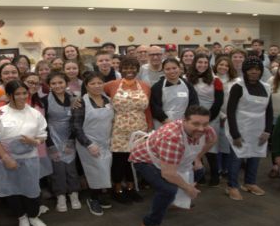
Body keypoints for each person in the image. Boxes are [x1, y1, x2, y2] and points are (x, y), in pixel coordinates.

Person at [129, 106, 216, 226]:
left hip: (170, 159)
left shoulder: (206, 129)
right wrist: (188, 188)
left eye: (205, 124)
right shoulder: (173, 137)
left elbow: (211, 141)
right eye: (195, 124)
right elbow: (168, 173)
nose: (201, 128)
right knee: (168, 189)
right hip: (146, 160)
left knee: (200, 170)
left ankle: (173, 202)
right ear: (184, 121)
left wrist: (198, 158)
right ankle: (149, 223)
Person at [0, 80, 48, 226]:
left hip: (29, 158)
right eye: (17, 94)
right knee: (12, 190)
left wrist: (36, 141)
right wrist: (6, 158)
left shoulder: (34, 113)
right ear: (8, 95)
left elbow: (43, 134)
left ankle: (33, 216)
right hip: (5, 158)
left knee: (31, 189)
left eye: (24, 93)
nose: (21, 97)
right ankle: (21, 217)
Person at [104, 56, 153, 204]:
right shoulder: (112, 85)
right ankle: (117, 189)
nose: (129, 71)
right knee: (119, 160)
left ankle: (131, 188)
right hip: (119, 127)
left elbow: (148, 109)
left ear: (137, 70)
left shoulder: (145, 86)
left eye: (132, 68)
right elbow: (94, 89)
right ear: (120, 69)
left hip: (139, 127)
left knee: (134, 159)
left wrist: (150, 127)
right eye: (126, 68)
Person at [225, 57, 273, 200]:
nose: (254, 72)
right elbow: (230, 111)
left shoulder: (266, 87)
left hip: (259, 128)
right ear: (245, 70)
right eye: (251, 69)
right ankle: (232, 186)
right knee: (236, 158)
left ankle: (250, 182)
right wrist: (235, 134)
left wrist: (268, 130)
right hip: (241, 127)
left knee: (255, 155)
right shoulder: (238, 87)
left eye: (257, 69)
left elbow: (269, 110)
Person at [71, 72, 114, 216]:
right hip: (88, 143)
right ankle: (93, 198)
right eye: (92, 84)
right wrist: (89, 144)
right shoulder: (81, 102)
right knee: (94, 172)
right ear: (86, 86)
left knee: (104, 170)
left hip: (105, 142)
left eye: (99, 83)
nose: (97, 86)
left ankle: (101, 196)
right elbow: (76, 127)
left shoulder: (108, 100)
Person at [42, 72, 81, 212]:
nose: (57, 86)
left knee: (71, 167)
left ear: (66, 83)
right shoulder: (45, 100)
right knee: (57, 168)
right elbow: (42, 123)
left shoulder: (74, 99)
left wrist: (71, 139)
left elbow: (77, 121)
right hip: (52, 136)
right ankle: (60, 196)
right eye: (53, 83)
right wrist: (50, 144)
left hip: (70, 135)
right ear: (49, 85)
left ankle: (74, 193)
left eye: (60, 82)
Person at [187, 53, 224, 186]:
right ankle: (199, 174)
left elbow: (219, 101)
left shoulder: (216, 80)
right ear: (194, 63)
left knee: (211, 147)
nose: (202, 65)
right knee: (195, 146)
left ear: (208, 65)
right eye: (199, 62)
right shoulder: (187, 78)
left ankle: (215, 175)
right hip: (194, 117)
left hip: (211, 117)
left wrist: (208, 119)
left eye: (205, 63)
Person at [150, 58, 199, 129]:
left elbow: (194, 103)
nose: (171, 71)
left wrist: (187, 118)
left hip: (184, 122)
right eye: (168, 69)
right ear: (163, 71)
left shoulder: (188, 85)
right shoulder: (157, 87)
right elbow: (154, 107)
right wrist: (166, 121)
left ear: (179, 68)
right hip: (163, 123)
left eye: (174, 68)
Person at [213, 56, 240, 177]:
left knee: (229, 142)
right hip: (216, 115)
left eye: (226, 65)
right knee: (216, 142)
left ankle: (227, 168)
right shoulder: (211, 79)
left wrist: (229, 116)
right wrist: (221, 115)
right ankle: (217, 168)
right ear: (216, 65)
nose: (223, 67)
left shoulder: (236, 81)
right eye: (221, 64)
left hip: (231, 116)